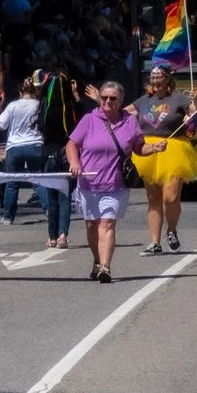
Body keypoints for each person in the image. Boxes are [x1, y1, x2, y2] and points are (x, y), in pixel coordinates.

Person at [68, 81, 142, 283]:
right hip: (88, 184)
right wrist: (75, 162)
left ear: (120, 101)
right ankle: (97, 260)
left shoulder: (130, 122)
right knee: (91, 225)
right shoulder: (88, 120)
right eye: (104, 98)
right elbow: (72, 144)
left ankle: (105, 268)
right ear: (99, 99)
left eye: (113, 98)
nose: (108, 101)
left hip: (115, 185)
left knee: (107, 224)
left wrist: (154, 148)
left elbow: (138, 148)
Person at [131, 64, 197, 253]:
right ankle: (155, 242)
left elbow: (194, 119)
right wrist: (100, 102)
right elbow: (121, 114)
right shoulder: (143, 100)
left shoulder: (179, 99)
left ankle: (172, 230)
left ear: (167, 79)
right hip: (149, 151)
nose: (154, 81)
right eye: (152, 78)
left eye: (158, 77)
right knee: (153, 198)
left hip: (173, 149)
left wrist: (194, 105)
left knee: (170, 198)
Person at [0, 76, 66, 245]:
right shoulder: (38, 105)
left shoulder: (12, 106)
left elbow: (1, 125)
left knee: (12, 182)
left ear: (20, 91)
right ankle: (48, 209)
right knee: (39, 179)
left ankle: (8, 216)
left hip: (15, 147)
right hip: (35, 145)